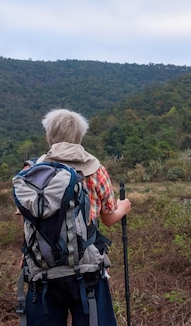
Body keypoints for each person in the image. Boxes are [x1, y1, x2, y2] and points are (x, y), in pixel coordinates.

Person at [23, 108, 132, 326]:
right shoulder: (95, 169)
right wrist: (122, 207)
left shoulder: (33, 171)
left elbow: (27, 217)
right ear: (80, 137)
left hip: (44, 269)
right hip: (87, 268)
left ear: (49, 136)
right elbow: (109, 219)